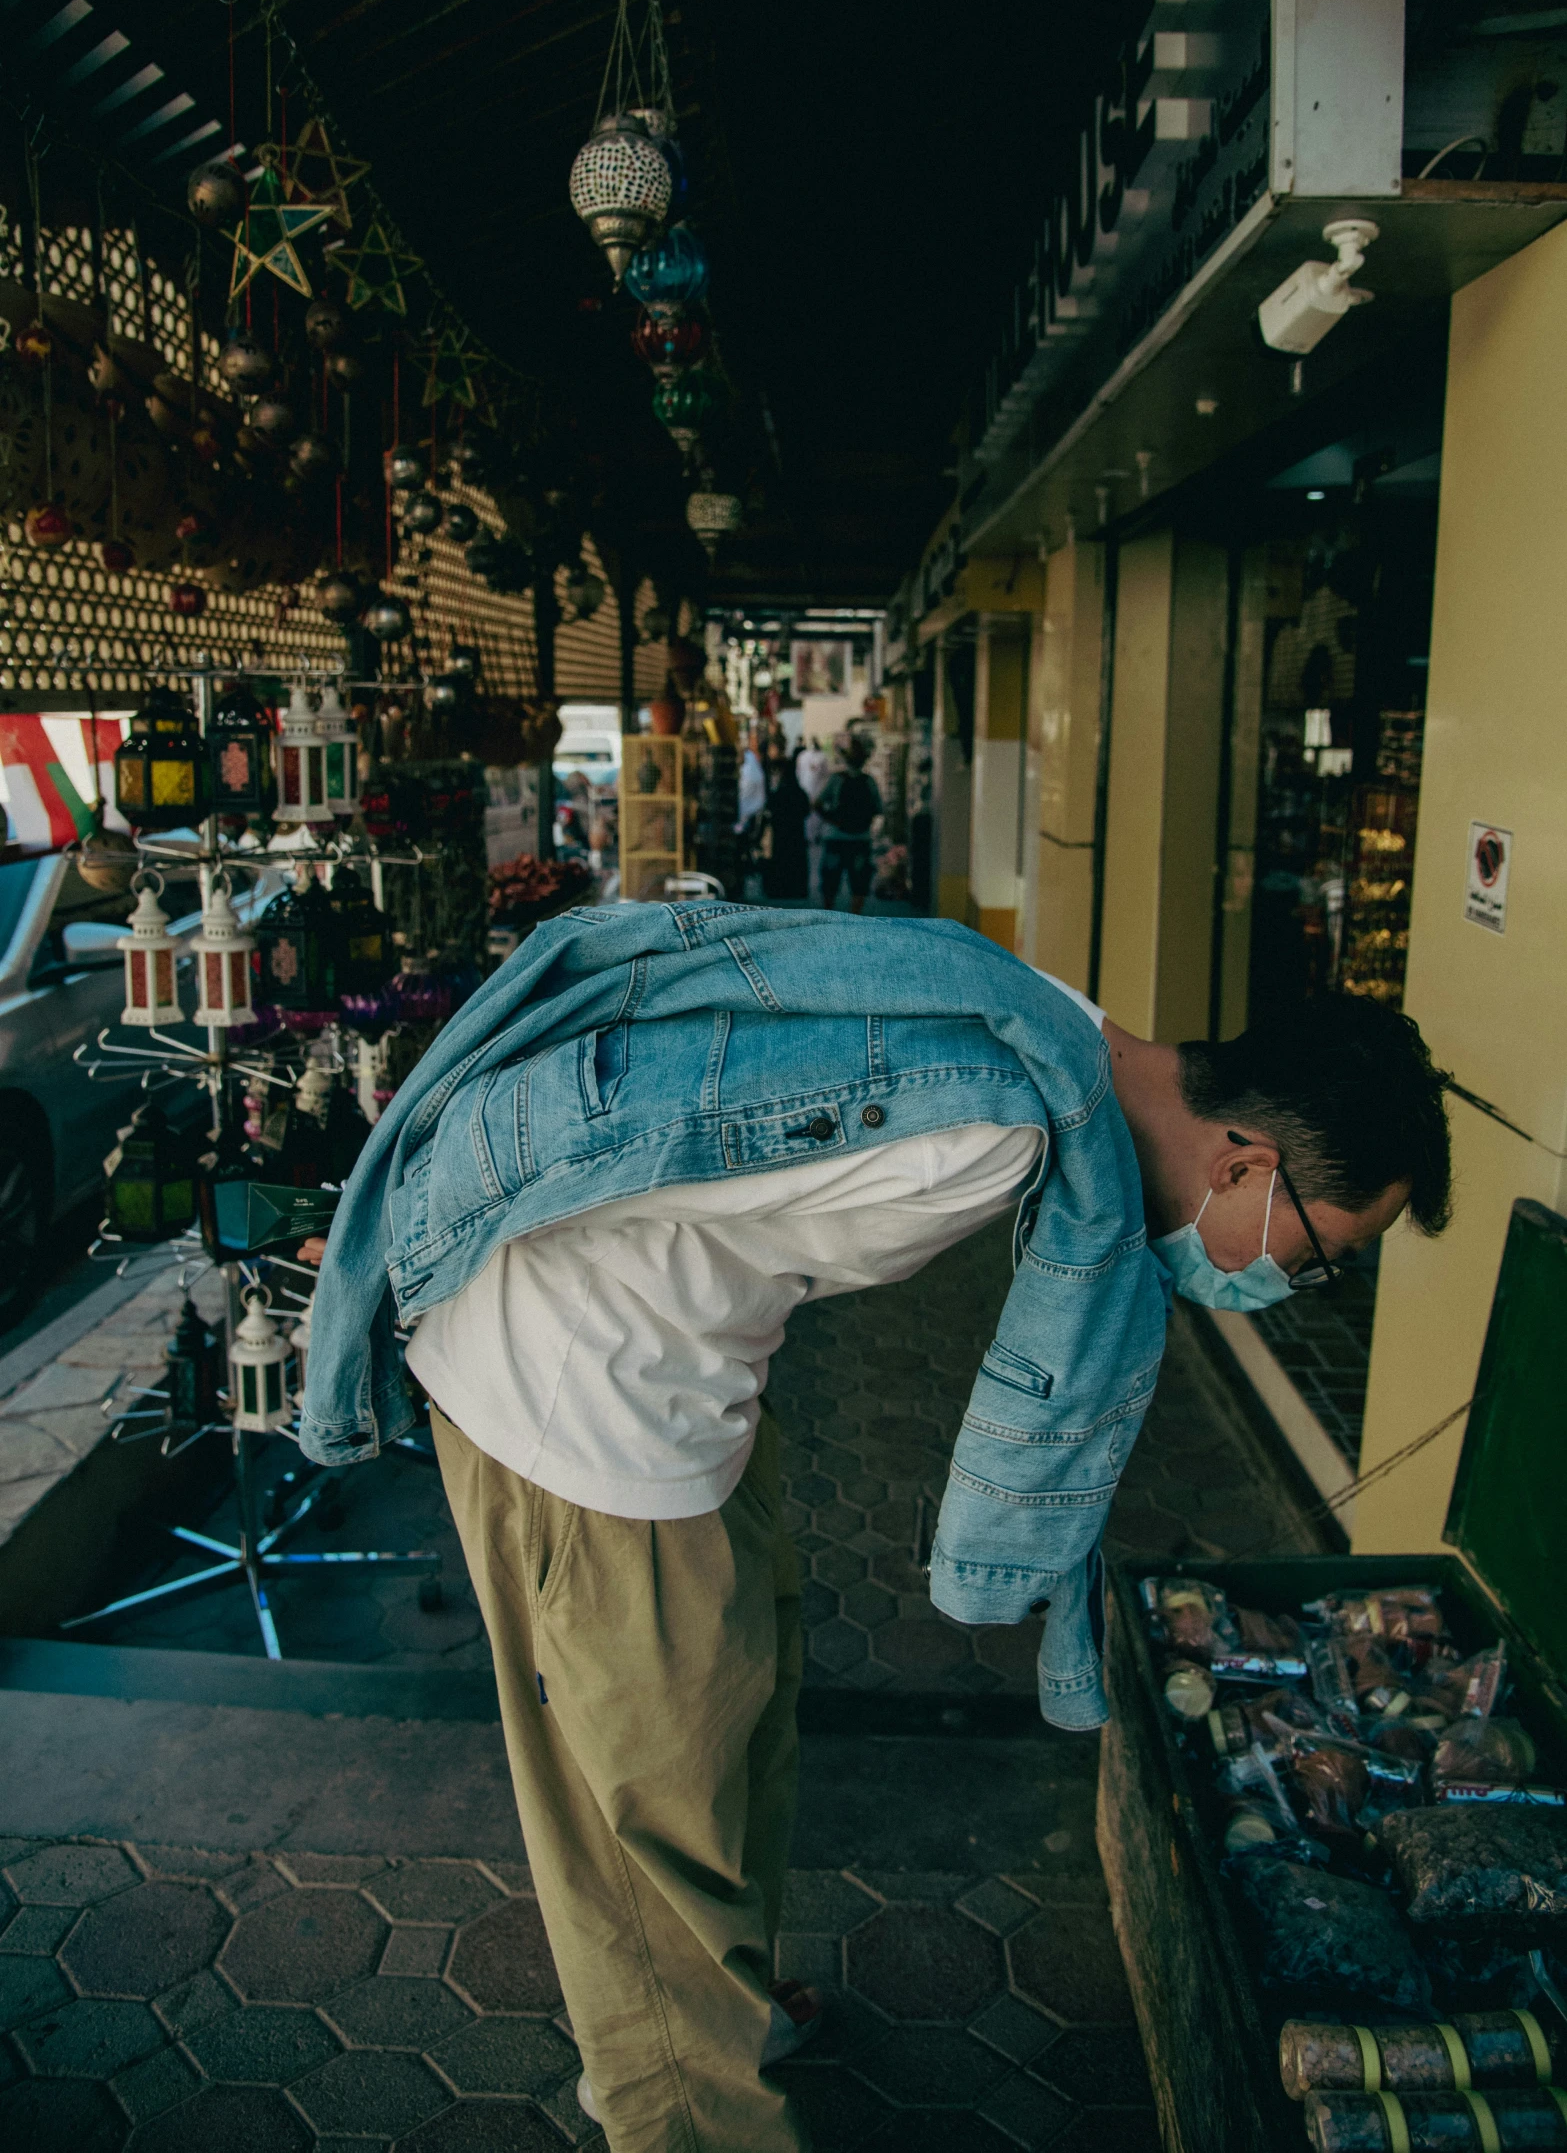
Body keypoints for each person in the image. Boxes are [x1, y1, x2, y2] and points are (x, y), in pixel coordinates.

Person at [301, 914, 1450, 2153]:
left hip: (687, 1390)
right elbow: (614, 1133)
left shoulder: (1052, 1021)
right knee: (644, 1841)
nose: (1291, 1285)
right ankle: (680, 2097)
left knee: (732, 1739)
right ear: (1242, 1166)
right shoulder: (988, 1128)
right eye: (1321, 1256)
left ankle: (715, 2010)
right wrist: (417, 1231)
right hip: (582, 1408)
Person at [816, 736, 882, 913]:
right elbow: (878, 808)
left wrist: (832, 819)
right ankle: (855, 916)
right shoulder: (869, 781)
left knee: (830, 881)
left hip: (835, 836)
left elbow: (817, 803)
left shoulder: (836, 779)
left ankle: (828, 915)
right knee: (860, 882)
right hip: (861, 838)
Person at [760, 760, 810, 901]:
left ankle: (779, 888)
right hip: (796, 835)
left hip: (780, 835)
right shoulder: (799, 792)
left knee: (780, 861)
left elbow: (770, 810)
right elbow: (805, 810)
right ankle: (795, 889)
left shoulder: (779, 793)